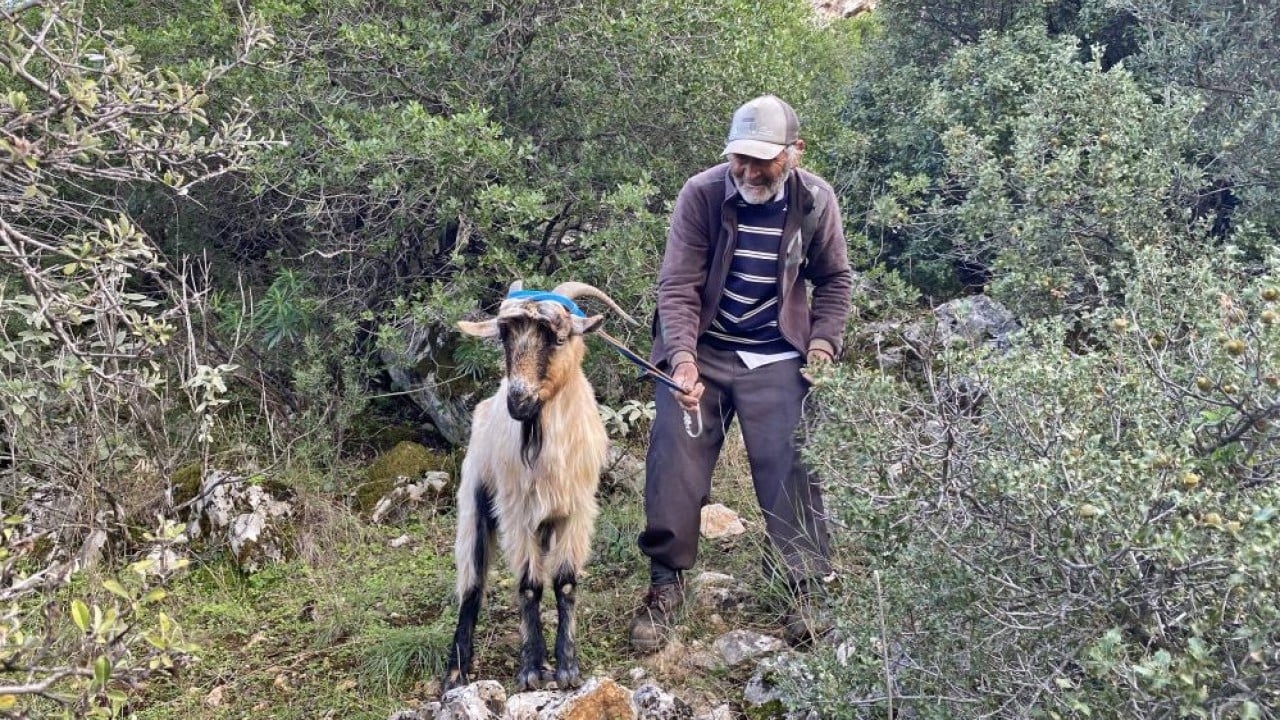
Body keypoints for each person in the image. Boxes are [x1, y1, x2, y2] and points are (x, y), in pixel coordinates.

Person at [629, 95, 853, 650]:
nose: (749, 172)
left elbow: (836, 281)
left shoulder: (815, 201)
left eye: (763, 160)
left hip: (777, 352)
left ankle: (804, 586)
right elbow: (677, 286)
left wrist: (822, 346)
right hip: (702, 349)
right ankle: (665, 584)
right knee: (674, 459)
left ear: (794, 153)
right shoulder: (702, 195)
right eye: (739, 159)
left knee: (790, 461)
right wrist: (680, 360)